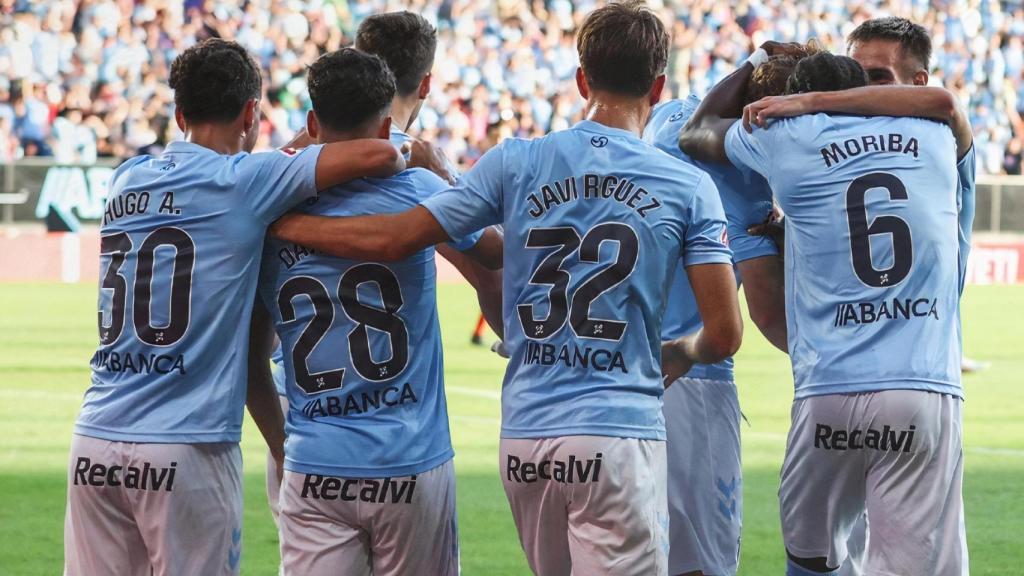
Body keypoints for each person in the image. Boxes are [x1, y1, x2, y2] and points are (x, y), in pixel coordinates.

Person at [269, 3, 743, 574]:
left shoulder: (516, 160)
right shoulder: (688, 185)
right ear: (660, 85)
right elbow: (723, 334)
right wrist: (681, 351)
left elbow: (403, 238)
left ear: (580, 78)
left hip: (526, 440)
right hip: (617, 431)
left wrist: (285, 224)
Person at [63, 38, 410, 576]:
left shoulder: (124, 180)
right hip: (187, 444)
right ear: (252, 112)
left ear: (179, 113)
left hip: (95, 439)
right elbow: (380, 153)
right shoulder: (247, 181)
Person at [680, 51, 968, 576]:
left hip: (827, 393)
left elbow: (697, 131)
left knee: (813, 562)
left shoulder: (788, 139)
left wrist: (760, 64)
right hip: (920, 388)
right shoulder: (932, 136)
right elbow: (945, 103)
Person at [257, 48, 501, 576]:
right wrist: (444, 172)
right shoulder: (422, 191)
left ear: (312, 122)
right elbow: (498, 251)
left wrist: (285, 450)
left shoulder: (267, 206)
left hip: (315, 460)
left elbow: (250, 358)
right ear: (389, 124)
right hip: (411, 461)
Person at [641, 45, 809, 576]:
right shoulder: (744, 177)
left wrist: (754, 57)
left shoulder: (669, 116)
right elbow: (769, 318)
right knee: (702, 562)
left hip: (612, 368)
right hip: (692, 376)